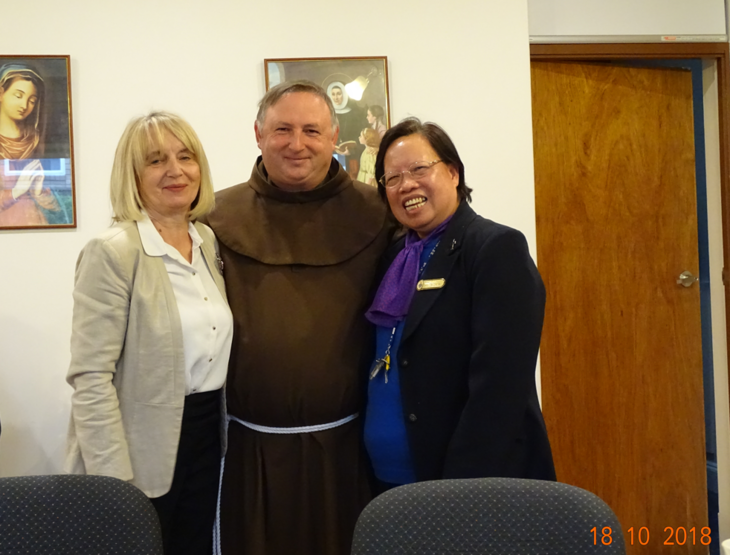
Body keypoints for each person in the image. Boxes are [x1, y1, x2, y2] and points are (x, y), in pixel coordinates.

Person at [203, 80, 395, 555]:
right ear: (257, 134)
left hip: (347, 451)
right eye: (282, 129)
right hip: (249, 452)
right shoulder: (214, 216)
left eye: (312, 130)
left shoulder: (378, 212)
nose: (297, 143)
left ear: (334, 136)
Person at [65, 111, 233, 555]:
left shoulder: (207, 242)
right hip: (138, 450)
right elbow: (90, 377)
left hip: (205, 437)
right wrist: (112, 481)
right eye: (156, 161)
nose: (175, 171)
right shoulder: (113, 252)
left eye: (185, 156)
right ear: (133, 175)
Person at [364, 118, 555, 492]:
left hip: (462, 484)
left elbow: (499, 389)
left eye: (419, 169)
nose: (407, 185)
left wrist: (460, 490)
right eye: (392, 178)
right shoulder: (393, 257)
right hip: (388, 481)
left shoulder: (494, 249)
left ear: (452, 172)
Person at [0, 63, 60, 226]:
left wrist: (39, 190)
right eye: (18, 96)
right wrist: (16, 191)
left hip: (35, 221)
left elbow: (58, 209)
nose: (24, 105)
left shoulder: (34, 139)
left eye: (32, 100)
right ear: (1, 93)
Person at [327, 81, 367, 178]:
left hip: (351, 155)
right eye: (333, 94)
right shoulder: (327, 114)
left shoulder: (355, 114)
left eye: (339, 94)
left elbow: (361, 136)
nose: (336, 98)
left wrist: (350, 150)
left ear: (344, 95)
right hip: (331, 155)